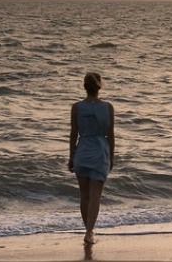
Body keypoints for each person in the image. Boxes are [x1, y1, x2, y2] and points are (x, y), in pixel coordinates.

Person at [69, 72, 115, 245]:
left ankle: (87, 230)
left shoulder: (76, 107)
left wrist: (71, 156)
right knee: (95, 195)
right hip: (100, 152)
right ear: (99, 86)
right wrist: (112, 156)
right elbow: (110, 135)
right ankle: (89, 232)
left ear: (84, 87)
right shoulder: (108, 107)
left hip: (82, 152)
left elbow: (73, 134)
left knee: (84, 195)